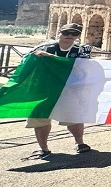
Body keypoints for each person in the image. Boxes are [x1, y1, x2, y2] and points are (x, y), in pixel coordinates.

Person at [24, 23, 92, 159]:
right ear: (60, 32)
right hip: (44, 88)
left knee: (73, 117)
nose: (69, 36)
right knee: (40, 118)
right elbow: (26, 60)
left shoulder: (83, 49)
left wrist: (51, 58)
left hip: (69, 88)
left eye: (74, 33)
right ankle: (43, 148)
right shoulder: (44, 47)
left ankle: (80, 142)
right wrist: (36, 56)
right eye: (66, 33)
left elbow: (81, 65)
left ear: (79, 35)